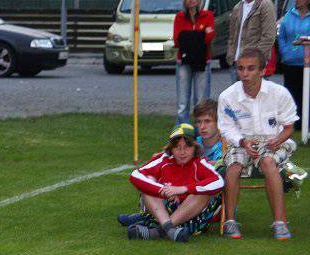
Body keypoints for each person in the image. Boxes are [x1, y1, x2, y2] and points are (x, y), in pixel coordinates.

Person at [218, 48, 298, 241]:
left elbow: (289, 127)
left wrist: (277, 140)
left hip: (274, 139)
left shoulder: (279, 93)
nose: (245, 74)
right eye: (241, 68)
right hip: (241, 141)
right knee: (234, 166)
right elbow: (226, 128)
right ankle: (230, 222)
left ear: (262, 71)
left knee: (268, 162)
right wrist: (243, 141)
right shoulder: (227, 96)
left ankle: (280, 223)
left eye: (251, 68)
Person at [118, 98, 225, 227]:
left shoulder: (226, 146)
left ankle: (155, 221)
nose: (202, 127)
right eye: (198, 122)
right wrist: (163, 159)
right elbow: (171, 155)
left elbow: (219, 171)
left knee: (213, 173)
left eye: (207, 121)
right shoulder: (192, 140)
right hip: (179, 193)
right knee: (153, 173)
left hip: (204, 199)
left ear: (219, 122)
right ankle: (155, 216)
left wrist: (181, 188)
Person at [126, 124, 225, 242]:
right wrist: (163, 190)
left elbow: (219, 181)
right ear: (171, 148)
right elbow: (135, 175)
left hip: (191, 217)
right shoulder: (163, 159)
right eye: (177, 147)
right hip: (163, 211)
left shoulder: (199, 163)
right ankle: (169, 230)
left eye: (187, 146)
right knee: (149, 179)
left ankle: (157, 232)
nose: (182, 152)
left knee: (202, 194)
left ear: (195, 147)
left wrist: (183, 189)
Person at [173, 0, 215, 124]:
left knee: (201, 101)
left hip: (203, 61)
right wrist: (199, 36)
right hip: (183, 62)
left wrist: (189, 37)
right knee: (182, 102)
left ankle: (200, 131)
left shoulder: (208, 15)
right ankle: (183, 130)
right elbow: (177, 40)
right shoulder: (179, 17)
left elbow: (209, 37)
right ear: (184, 0)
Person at [226, 0, 276, 83]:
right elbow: (232, 36)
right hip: (236, 62)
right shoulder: (238, 7)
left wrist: (257, 59)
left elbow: (269, 36)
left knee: (257, 93)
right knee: (237, 94)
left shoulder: (265, 5)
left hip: (254, 64)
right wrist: (230, 55)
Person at [277, 0, 310, 129]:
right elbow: (282, 36)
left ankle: (306, 122)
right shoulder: (289, 16)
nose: (296, 0)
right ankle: (293, 122)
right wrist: (284, 51)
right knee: (291, 93)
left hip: (307, 62)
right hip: (290, 61)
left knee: (306, 92)